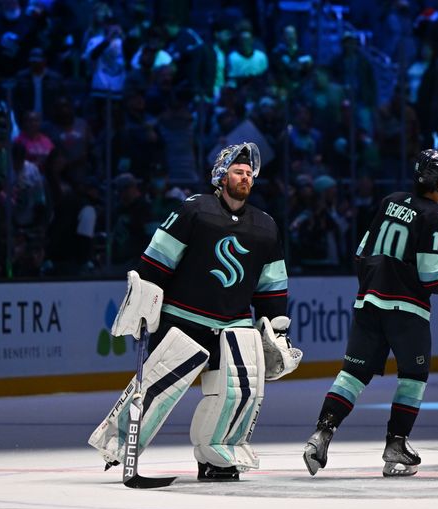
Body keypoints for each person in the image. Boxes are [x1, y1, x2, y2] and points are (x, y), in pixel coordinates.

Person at [88, 143, 303, 481]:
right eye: (238, 172)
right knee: (158, 389)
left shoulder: (265, 226)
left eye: (249, 174)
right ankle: (117, 446)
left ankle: (216, 457)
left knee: (238, 392)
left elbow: (272, 285)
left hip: (233, 325)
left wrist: (277, 330)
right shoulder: (194, 210)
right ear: (221, 176)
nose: (245, 178)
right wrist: (143, 302)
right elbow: (156, 261)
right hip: (182, 319)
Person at [302, 149, 438, 477]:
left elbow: (362, 253)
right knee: (413, 377)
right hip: (407, 312)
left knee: (352, 375)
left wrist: (373, 287)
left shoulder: (391, 201)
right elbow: (434, 277)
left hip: (369, 303)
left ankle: (321, 433)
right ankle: (396, 444)